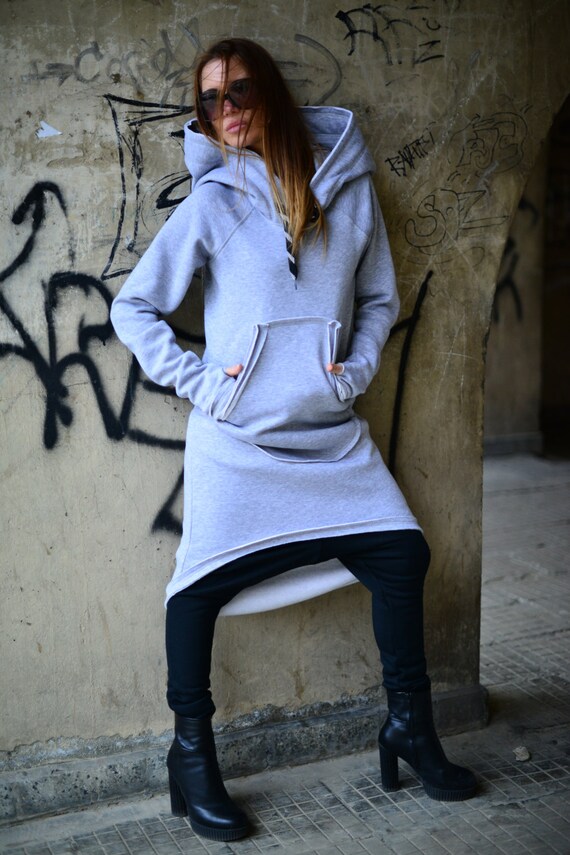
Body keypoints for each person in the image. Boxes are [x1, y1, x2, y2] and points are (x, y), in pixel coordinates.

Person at [110, 37, 476, 843]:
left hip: (330, 436)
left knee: (402, 553)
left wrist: (355, 371)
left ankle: (409, 727)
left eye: (239, 91)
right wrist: (208, 384)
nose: (226, 110)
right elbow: (132, 307)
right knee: (195, 591)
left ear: (270, 93)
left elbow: (378, 298)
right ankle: (192, 754)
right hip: (238, 443)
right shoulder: (211, 203)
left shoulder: (349, 189)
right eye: (210, 100)